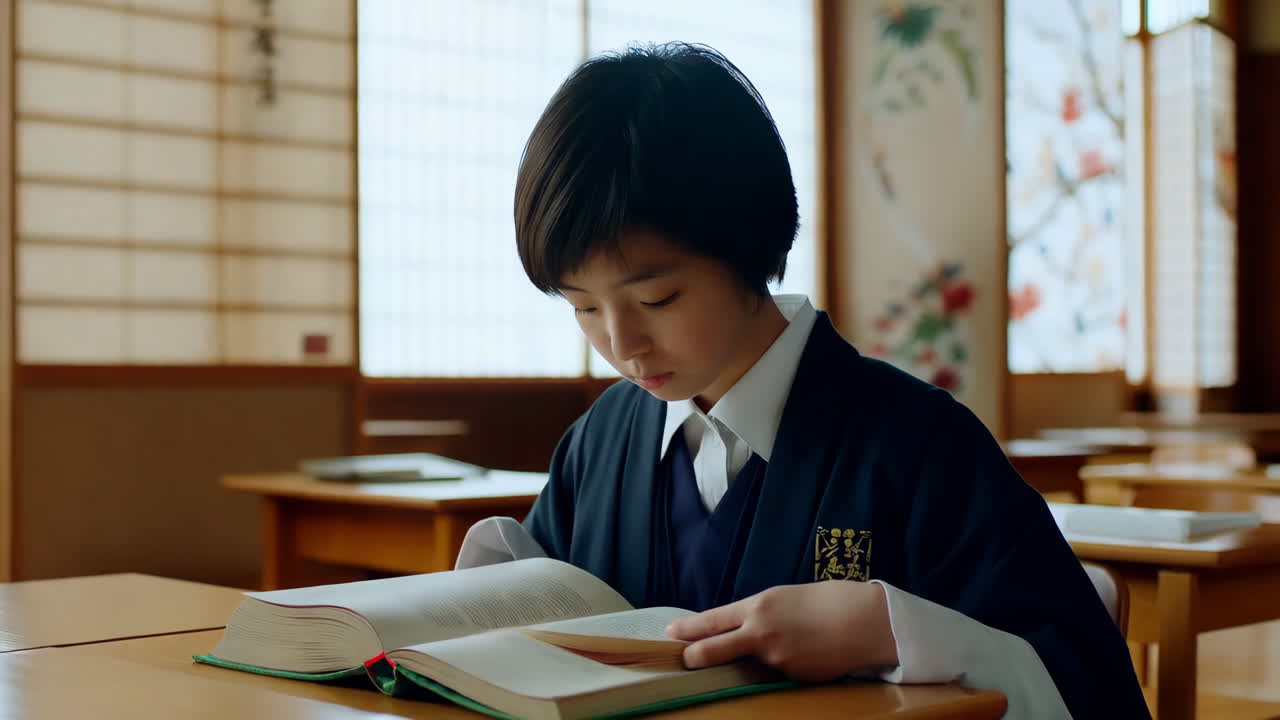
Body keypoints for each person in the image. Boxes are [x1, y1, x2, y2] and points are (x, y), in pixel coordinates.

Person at [487, 42, 1148, 718]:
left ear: (749, 247)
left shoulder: (921, 446)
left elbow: (1084, 681)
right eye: (584, 308)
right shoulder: (599, 443)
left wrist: (889, 630)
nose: (622, 345)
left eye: (657, 299)